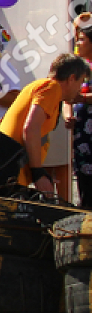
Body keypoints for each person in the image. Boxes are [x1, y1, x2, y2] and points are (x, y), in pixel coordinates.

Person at [0, 53, 90, 194]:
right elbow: (30, 129)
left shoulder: (38, 86)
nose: (80, 88)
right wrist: (38, 173)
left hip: (1, 168)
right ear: (72, 78)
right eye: (81, 82)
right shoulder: (52, 87)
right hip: (6, 171)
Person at [73, 19, 92, 206]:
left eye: (82, 40)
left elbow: (79, 96)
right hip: (82, 135)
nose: (77, 43)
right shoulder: (79, 67)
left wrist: (83, 99)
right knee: (84, 184)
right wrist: (67, 114)